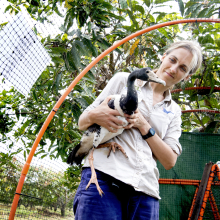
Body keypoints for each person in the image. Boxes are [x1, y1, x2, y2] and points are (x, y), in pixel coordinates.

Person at [73, 40, 203, 220]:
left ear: (187, 76)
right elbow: (82, 122)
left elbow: (169, 161)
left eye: (182, 68)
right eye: (172, 60)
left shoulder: (174, 110)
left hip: (146, 189)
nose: (173, 69)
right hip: (105, 177)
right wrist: (97, 115)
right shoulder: (123, 80)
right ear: (163, 57)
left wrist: (144, 125)